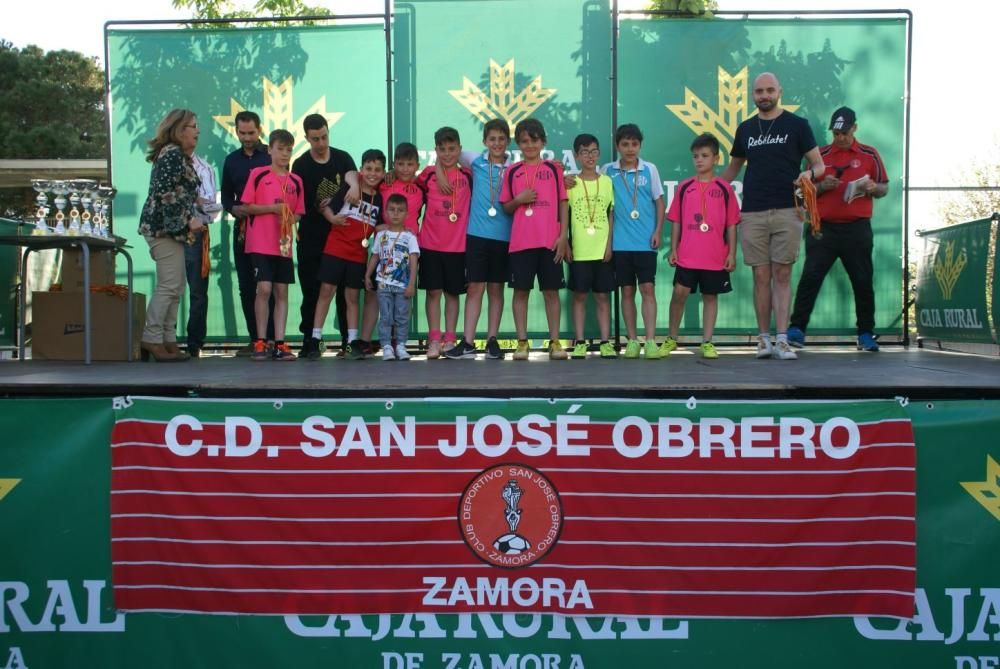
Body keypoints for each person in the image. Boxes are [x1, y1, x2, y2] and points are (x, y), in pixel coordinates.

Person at [721, 72, 825, 361]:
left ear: (779, 91)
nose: (764, 95)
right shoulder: (745, 129)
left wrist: (808, 172)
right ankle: (763, 339)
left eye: (769, 90)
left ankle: (782, 339)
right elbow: (733, 169)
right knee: (760, 275)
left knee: (782, 274)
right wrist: (710, 187)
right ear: (752, 95)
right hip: (752, 211)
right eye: (758, 91)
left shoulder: (798, 125)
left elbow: (820, 166)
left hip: (789, 209)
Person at [786, 107, 889, 353]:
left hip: (857, 229)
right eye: (835, 133)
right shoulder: (818, 155)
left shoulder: (869, 154)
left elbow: (884, 188)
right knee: (810, 277)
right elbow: (799, 193)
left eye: (844, 132)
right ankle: (796, 329)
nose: (840, 137)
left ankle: (865, 333)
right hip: (823, 229)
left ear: (855, 128)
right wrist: (821, 187)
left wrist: (873, 187)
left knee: (862, 281)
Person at [663, 133, 740, 359]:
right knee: (679, 293)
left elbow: (732, 224)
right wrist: (674, 248)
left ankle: (707, 341)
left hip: (715, 255)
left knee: (710, 296)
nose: (699, 160)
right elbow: (676, 219)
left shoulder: (725, 189)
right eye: (695, 156)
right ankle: (671, 338)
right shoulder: (685, 187)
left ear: (716, 159)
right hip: (688, 254)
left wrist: (732, 253)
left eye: (705, 156)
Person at [500, 118, 570, 360]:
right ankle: (522, 342)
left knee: (551, 292)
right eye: (524, 142)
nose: (529, 146)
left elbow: (563, 202)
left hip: (550, 242)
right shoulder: (512, 171)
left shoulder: (553, 169)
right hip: (521, 243)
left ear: (543, 142)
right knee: (521, 292)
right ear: (518, 144)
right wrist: (519, 200)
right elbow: (506, 207)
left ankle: (555, 342)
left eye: (534, 140)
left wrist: (563, 236)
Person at [137, 108, 203, 362]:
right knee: (169, 285)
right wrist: (189, 218)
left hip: (170, 231)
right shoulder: (173, 154)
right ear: (179, 129)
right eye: (193, 126)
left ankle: (168, 339)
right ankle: (152, 337)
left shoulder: (177, 156)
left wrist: (199, 200)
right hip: (163, 229)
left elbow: (177, 189)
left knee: (175, 286)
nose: (197, 131)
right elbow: (165, 193)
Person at [292, 113, 360, 359]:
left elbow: (355, 178)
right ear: (306, 138)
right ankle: (311, 341)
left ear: (328, 132)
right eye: (315, 139)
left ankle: (348, 343)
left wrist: (353, 185)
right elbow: (301, 203)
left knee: (345, 292)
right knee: (312, 291)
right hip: (312, 238)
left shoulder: (342, 158)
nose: (320, 143)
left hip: (342, 237)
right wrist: (324, 211)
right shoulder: (300, 165)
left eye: (323, 137)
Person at [446, 119, 513, 360]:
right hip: (476, 236)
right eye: (492, 139)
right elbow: (446, 152)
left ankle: (492, 340)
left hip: (504, 237)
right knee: (475, 288)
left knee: (496, 289)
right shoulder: (475, 160)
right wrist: (437, 164)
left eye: (501, 139)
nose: (496, 143)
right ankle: (468, 342)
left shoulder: (515, 168)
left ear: (508, 141)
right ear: (485, 141)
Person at [309, 148, 385, 360]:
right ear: (361, 170)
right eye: (368, 168)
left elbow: (378, 227)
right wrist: (332, 218)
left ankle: (352, 342)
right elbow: (327, 208)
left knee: (352, 297)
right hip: (335, 248)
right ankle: (315, 338)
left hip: (358, 253)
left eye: (378, 170)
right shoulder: (350, 188)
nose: (373, 173)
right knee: (326, 291)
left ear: (383, 172)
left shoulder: (379, 199)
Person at [240, 129, 305, 361]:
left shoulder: (296, 180)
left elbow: (298, 213)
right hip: (259, 241)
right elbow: (246, 206)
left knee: (281, 292)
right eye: (280, 149)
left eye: (288, 149)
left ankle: (279, 343)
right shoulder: (258, 174)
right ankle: (260, 341)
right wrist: (273, 209)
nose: (285, 154)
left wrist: (290, 218)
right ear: (269, 149)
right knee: (264, 288)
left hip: (284, 244)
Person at [603, 123, 666, 360]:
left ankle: (650, 341)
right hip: (619, 244)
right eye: (625, 144)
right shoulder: (607, 170)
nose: (630, 149)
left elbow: (660, 202)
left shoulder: (650, 169)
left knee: (647, 289)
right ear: (618, 146)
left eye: (635, 144)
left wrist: (658, 230)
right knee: (626, 292)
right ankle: (632, 340)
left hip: (645, 242)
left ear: (640, 145)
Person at [415, 127, 472, 359]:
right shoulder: (427, 174)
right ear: (435, 150)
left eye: (452, 149)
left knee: (452, 294)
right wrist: (438, 169)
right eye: (442, 149)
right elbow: (403, 182)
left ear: (459, 148)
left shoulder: (469, 175)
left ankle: (450, 338)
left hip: (458, 246)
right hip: (430, 243)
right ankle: (434, 339)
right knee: (433, 292)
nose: (447, 153)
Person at [220, 110, 273, 357]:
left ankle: (274, 338)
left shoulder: (270, 157)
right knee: (246, 286)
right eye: (242, 133)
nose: (247, 137)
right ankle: (256, 340)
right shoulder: (231, 160)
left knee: (269, 284)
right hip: (243, 229)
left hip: (269, 229)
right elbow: (226, 196)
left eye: (251, 133)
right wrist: (234, 208)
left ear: (259, 130)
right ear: (236, 131)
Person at [566, 133, 616, 359]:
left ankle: (606, 342)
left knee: (603, 296)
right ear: (576, 156)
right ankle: (580, 341)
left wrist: (609, 245)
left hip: (601, 250)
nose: (590, 156)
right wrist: (567, 244)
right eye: (584, 152)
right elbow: (563, 216)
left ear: (599, 154)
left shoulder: (606, 181)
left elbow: (611, 215)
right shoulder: (570, 183)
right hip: (579, 250)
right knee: (579, 296)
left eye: (594, 152)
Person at [365, 193, 420, 361]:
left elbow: (413, 261)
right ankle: (386, 346)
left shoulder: (410, 237)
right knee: (386, 316)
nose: (396, 214)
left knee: (402, 315)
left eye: (400, 210)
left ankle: (401, 345)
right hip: (383, 284)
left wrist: (411, 284)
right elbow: (375, 256)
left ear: (407, 214)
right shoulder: (381, 236)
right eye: (392, 210)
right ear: (386, 213)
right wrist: (368, 275)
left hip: (403, 285)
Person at [183, 152, 219, 358]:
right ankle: (165, 340)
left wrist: (196, 203)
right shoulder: (165, 162)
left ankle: (194, 344)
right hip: (171, 232)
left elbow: (210, 208)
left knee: (197, 291)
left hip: (196, 232)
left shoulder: (205, 168)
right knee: (170, 288)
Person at [379, 142, 425, 235]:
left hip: (410, 244)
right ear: (394, 164)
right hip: (383, 244)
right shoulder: (384, 182)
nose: (405, 169)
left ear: (417, 166)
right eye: (400, 164)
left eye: (410, 164)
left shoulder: (422, 187)